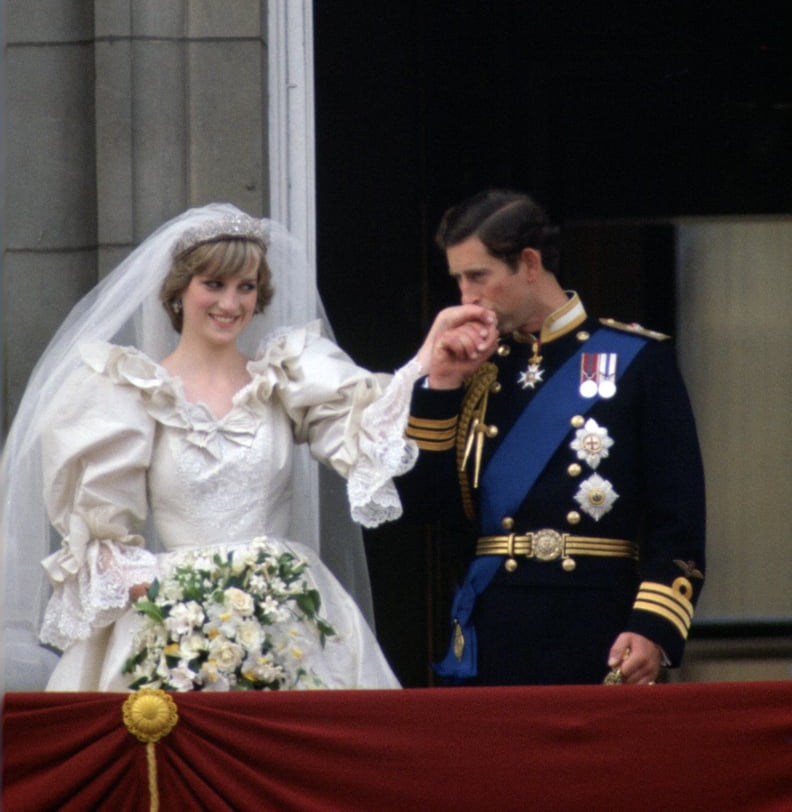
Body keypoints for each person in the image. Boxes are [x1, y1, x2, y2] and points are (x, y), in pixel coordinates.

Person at [1, 203, 495, 692]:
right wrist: (178, 606)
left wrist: (430, 362)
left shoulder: (288, 375)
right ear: (178, 292)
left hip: (288, 612)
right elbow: (99, 537)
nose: (231, 304)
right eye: (213, 285)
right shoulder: (127, 391)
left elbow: (371, 436)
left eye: (246, 287)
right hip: (173, 625)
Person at [396, 189, 706, 687]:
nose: (465, 297)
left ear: (529, 263)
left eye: (478, 277)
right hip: (495, 629)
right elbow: (424, 510)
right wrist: (440, 387)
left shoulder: (637, 360)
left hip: (599, 626)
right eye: (458, 279)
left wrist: (652, 626)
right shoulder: (472, 370)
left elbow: (679, 518)